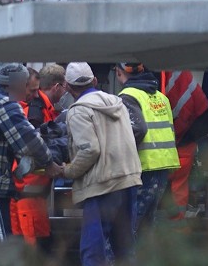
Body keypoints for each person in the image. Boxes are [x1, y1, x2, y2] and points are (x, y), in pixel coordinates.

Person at [0, 63, 63, 241]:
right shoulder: (6, 105)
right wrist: (49, 164)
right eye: (30, 89)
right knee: (0, 244)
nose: (33, 95)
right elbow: (29, 141)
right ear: (15, 85)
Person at [61, 62, 142, 266]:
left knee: (92, 251)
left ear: (68, 88)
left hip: (102, 186)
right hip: (127, 180)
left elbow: (90, 150)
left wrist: (68, 170)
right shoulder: (117, 103)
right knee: (124, 248)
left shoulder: (78, 111)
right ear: (95, 81)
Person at [116, 63, 180, 230]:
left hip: (143, 167)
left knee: (132, 223)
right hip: (163, 165)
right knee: (148, 221)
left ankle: (129, 256)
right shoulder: (161, 97)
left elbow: (137, 129)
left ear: (118, 72)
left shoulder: (127, 96)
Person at [11, 66, 67, 247]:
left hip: (34, 193)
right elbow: (33, 147)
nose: (36, 94)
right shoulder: (31, 111)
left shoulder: (38, 108)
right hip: (27, 191)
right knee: (30, 249)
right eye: (33, 90)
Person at [163, 71, 208, 221]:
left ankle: (174, 225)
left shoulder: (165, 76)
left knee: (170, 187)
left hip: (180, 139)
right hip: (187, 135)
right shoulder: (179, 75)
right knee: (177, 187)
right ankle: (178, 227)